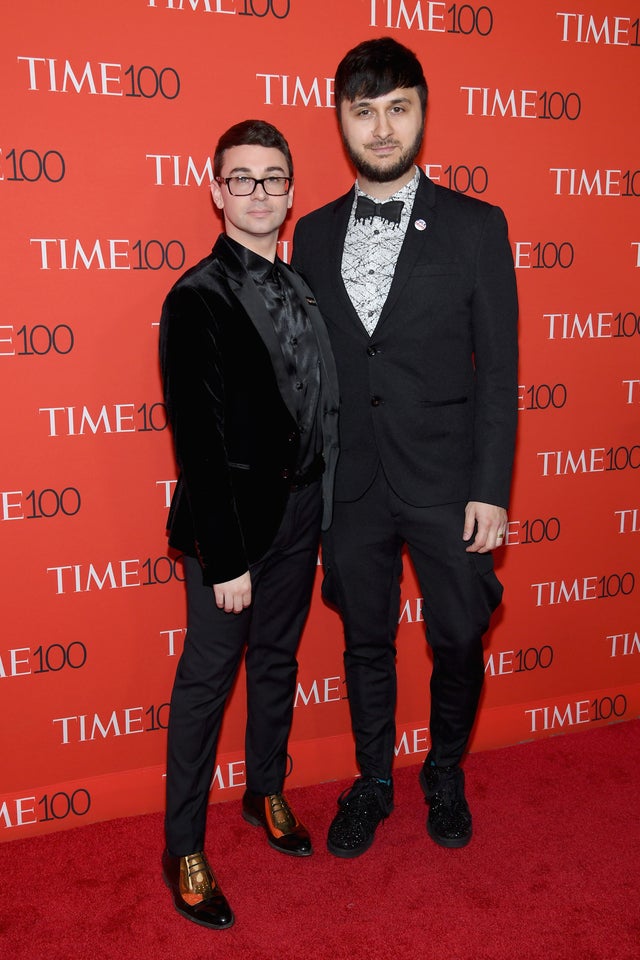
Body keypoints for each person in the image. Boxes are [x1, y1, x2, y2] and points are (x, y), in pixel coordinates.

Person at [292, 37, 518, 858]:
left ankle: (445, 769)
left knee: (459, 635)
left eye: (397, 108)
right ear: (342, 123)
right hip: (351, 486)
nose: (381, 128)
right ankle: (375, 781)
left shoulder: (475, 225)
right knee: (365, 641)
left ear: (422, 111)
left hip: (449, 483)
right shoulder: (310, 235)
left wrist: (492, 489)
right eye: (364, 111)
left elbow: (498, 370)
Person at [159, 119, 339, 928]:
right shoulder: (196, 296)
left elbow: (320, 407)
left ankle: (264, 788)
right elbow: (196, 441)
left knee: (276, 661)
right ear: (216, 189)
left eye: (273, 178)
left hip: (302, 510)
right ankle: (182, 846)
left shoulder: (304, 287)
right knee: (206, 682)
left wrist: (328, 509)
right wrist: (225, 558)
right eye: (243, 178)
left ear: (292, 193)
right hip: (229, 528)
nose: (259, 192)